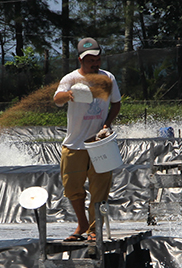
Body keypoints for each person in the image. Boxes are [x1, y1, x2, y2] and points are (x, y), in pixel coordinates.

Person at [54, 37, 122, 242]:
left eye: (97, 59)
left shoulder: (107, 78)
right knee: (72, 187)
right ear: (80, 60)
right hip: (75, 144)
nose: (94, 63)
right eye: (89, 59)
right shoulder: (71, 79)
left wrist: (107, 123)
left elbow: (116, 104)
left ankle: (94, 230)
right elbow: (57, 99)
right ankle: (82, 224)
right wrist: (69, 95)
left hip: (99, 143)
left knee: (99, 189)